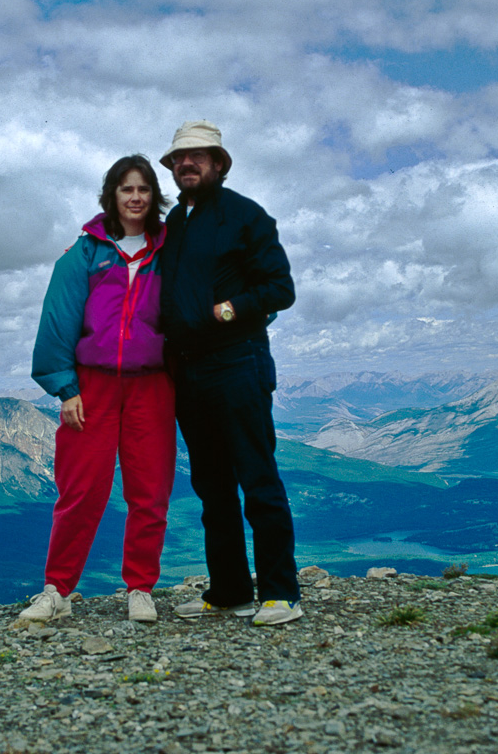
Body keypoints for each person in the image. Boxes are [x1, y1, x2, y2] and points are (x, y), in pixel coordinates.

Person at [158, 121, 303, 626]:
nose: (187, 164)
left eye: (198, 156)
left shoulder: (246, 216)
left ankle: (282, 593)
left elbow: (280, 289)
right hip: (190, 371)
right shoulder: (175, 222)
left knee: (257, 478)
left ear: (218, 163)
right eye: (179, 159)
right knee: (212, 486)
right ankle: (229, 591)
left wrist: (230, 310)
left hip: (238, 360)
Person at [21, 154, 175, 624]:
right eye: (126, 189)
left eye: (143, 190)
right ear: (111, 195)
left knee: (149, 489)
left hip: (153, 384)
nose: (134, 198)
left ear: (154, 197)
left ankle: (140, 588)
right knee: (81, 489)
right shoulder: (87, 252)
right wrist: (65, 388)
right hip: (91, 385)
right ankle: (57, 590)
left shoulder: (169, 250)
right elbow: (59, 318)